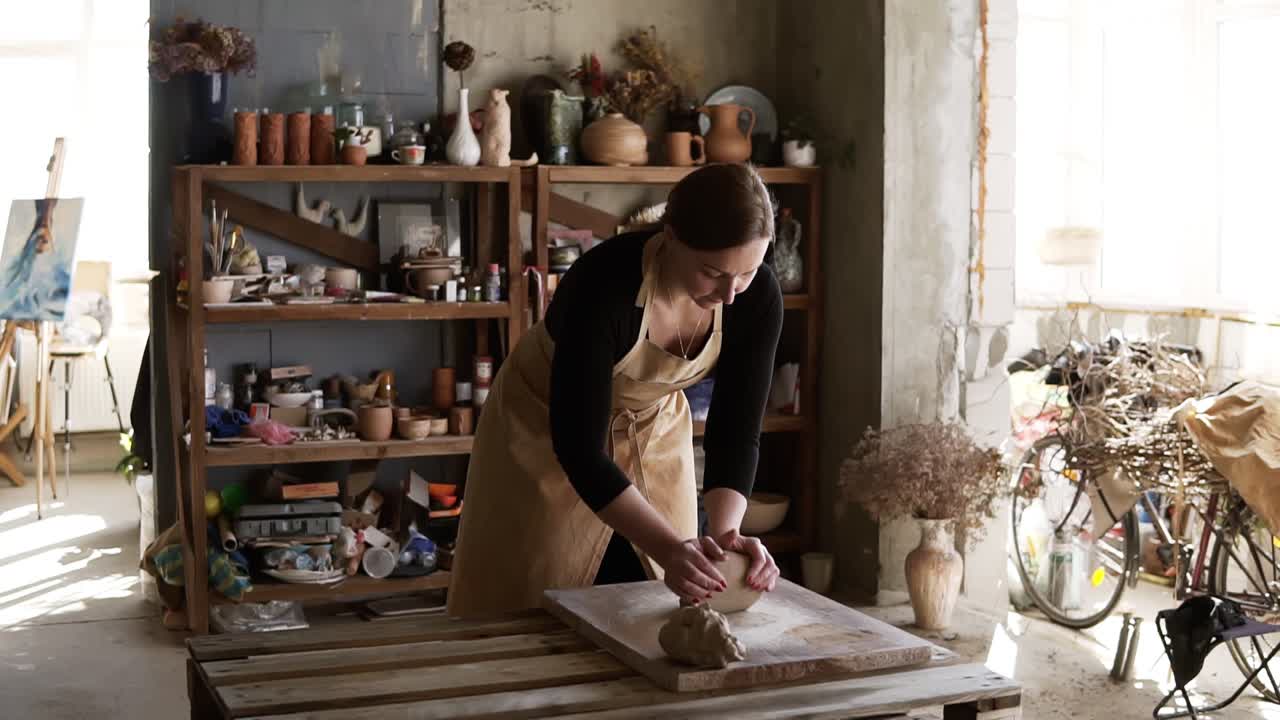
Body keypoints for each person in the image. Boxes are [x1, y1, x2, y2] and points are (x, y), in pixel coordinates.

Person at [447, 163, 784, 619]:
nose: (730, 294)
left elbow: (736, 427)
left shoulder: (756, 295)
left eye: (747, 272)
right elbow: (580, 450)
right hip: (543, 425)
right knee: (533, 598)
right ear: (671, 236)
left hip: (651, 425)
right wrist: (669, 548)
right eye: (712, 272)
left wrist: (726, 538)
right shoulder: (603, 283)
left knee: (667, 597)